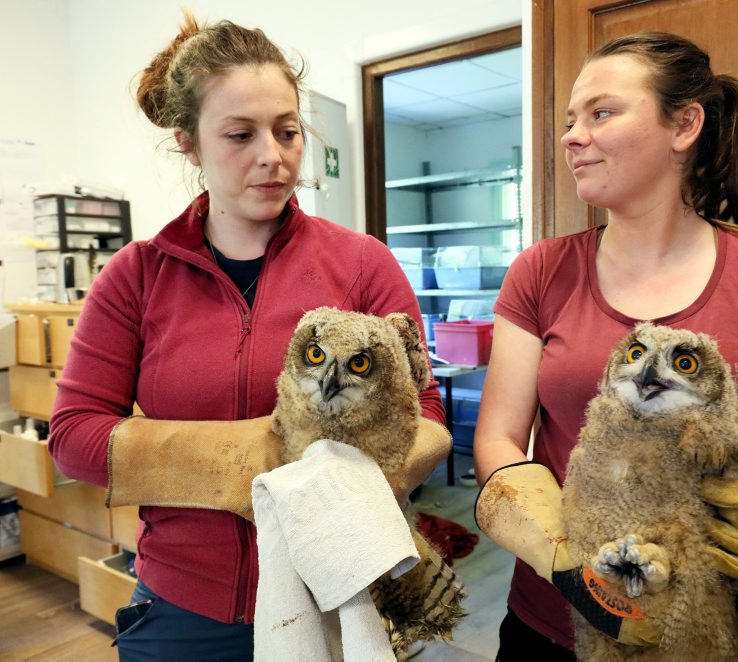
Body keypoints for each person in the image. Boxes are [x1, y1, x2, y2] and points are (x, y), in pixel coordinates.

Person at [47, 13, 450, 660]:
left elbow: (424, 414)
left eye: (288, 131)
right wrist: (249, 459)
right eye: (240, 135)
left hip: (339, 595)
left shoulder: (363, 264)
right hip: (183, 609)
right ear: (188, 143)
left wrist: (342, 476)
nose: (273, 156)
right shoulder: (136, 276)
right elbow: (74, 437)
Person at [473, 32, 738, 661]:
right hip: (551, 631)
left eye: (601, 113)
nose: (572, 136)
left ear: (685, 125)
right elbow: (499, 440)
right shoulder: (541, 271)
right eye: (570, 120)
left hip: (715, 636)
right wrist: (566, 562)